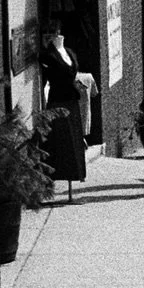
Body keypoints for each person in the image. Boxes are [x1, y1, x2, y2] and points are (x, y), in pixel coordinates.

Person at [39, 19, 95, 185]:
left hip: (72, 101)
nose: (55, 34)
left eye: (56, 30)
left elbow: (71, 72)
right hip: (58, 102)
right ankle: (61, 175)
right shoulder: (47, 56)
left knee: (75, 140)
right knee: (62, 141)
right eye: (51, 32)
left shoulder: (69, 52)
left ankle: (76, 174)